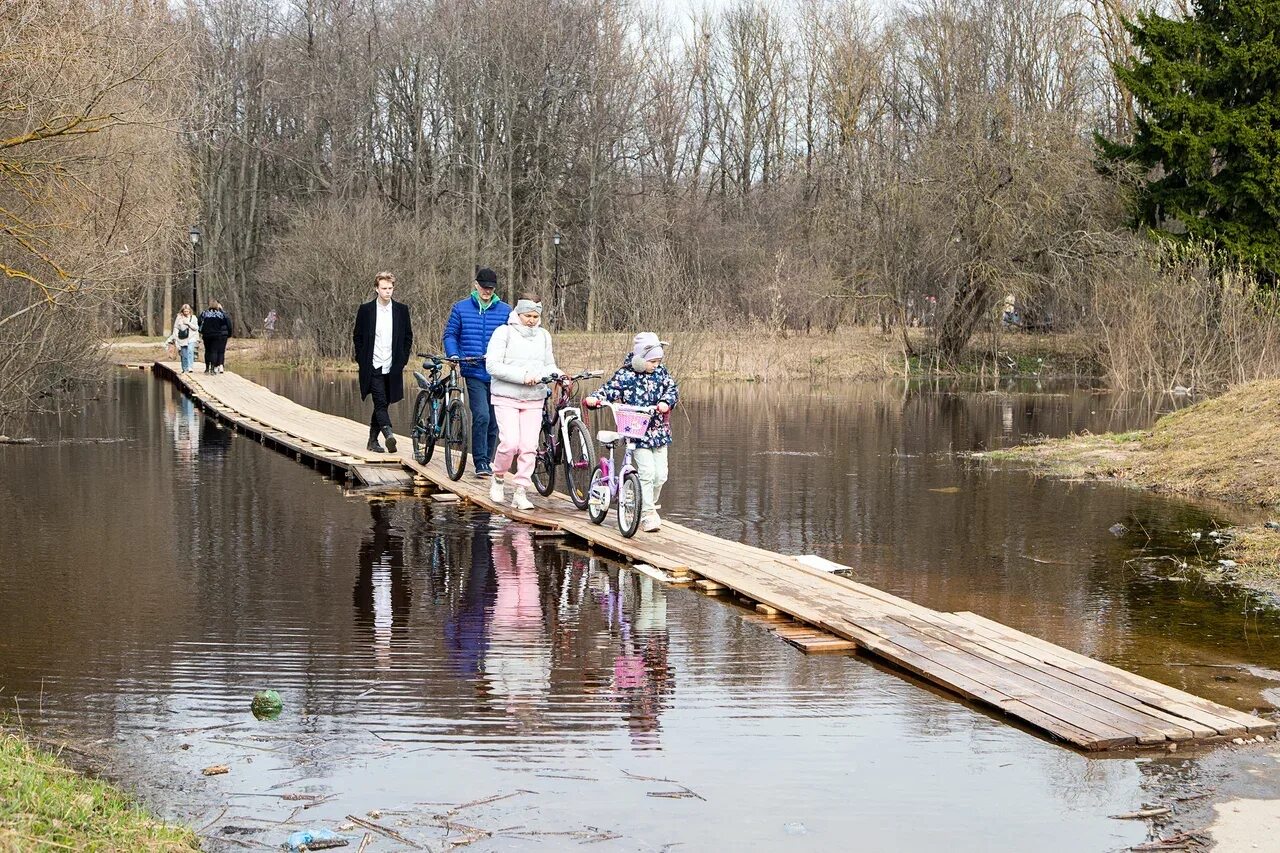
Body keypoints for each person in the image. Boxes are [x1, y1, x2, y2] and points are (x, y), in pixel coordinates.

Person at [584, 333, 679, 532]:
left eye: (658, 361)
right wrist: (594, 399)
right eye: (652, 361)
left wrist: (665, 402)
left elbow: (672, 390)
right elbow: (608, 390)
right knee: (646, 472)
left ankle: (649, 505)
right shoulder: (625, 375)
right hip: (637, 432)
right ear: (640, 359)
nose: (655, 364)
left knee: (661, 475)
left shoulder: (661, 373)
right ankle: (647, 513)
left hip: (659, 431)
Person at [484, 296, 559, 510]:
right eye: (528, 316)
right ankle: (498, 477)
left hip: (534, 398)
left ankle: (521, 490)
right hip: (506, 397)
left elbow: (548, 364)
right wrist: (523, 376)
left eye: (536, 316)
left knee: (529, 447)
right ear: (518, 313)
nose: (532, 320)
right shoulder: (503, 333)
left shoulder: (544, 336)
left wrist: (559, 375)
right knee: (510, 443)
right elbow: (493, 366)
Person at [443, 267, 511, 478]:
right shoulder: (461, 308)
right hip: (473, 369)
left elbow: (513, 339)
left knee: (493, 419)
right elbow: (450, 335)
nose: (487, 292)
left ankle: (488, 460)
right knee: (480, 415)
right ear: (476, 285)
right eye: (484, 287)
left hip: (498, 373)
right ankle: (480, 461)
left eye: (491, 288)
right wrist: (454, 355)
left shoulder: (505, 311)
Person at [353, 271, 414, 454]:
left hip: (393, 365)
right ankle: (389, 434)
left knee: (384, 403)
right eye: (384, 288)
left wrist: (402, 360)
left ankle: (372, 441)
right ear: (376, 289)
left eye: (390, 288)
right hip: (373, 365)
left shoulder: (401, 310)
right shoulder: (366, 310)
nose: (388, 292)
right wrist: (362, 359)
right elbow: (358, 336)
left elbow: (407, 337)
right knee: (380, 402)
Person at [198, 299, 234, 374]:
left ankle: (207, 368)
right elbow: (224, 323)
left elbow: (199, 322)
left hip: (206, 334)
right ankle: (212, 369)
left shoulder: (204, 313)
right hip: (217, 334)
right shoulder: (220, 314)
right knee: (214, 351)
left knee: (207, 351)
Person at [165, 303, 200, 374]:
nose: (186, 313)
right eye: (185, 311)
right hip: (182, 338)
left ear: (190, 311)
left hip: (191, 337)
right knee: (184, 354)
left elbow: (196, 328)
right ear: (182, 311)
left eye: (187, 311)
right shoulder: (179, 318)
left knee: (190, 351)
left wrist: (188, 323)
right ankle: (184, 368)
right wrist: (175, 337)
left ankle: (190, 367)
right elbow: (176, 327)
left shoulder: (193, 318)